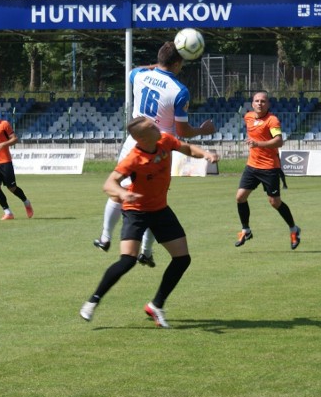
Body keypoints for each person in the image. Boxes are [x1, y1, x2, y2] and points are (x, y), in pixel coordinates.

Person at [80, 116, 218, 328]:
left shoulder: (165, 140)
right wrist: (122, 194)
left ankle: (156, 305)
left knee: (182, 259)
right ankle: (93, 301)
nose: (157, 128)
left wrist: (206, 154)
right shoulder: (134, 158)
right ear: (143, 138)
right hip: (136, 211)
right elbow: (109, 184)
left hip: (160, 209)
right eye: (152, 127)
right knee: (127, 260)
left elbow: (187, 148)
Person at [93, 41, 216, 267]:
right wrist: (203, 130)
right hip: (159, 147)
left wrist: (158, 63)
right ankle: (146, 251)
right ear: (178, 63)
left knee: (117, 190)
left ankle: (105, 237)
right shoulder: (179, 91)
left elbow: (140, 69)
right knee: (154, 200)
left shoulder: (138, 75)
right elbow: (182, 131)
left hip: (133, 142)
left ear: (159, 59)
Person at [234, 91, 301, 250]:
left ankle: (293, 229)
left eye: (263, 101)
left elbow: (279, 141)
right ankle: (246, 230)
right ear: (252, 104)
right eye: (256, 101)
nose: (259, 103)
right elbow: (254, 133)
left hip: (269, 167)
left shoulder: (272, 120)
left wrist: (258, 144)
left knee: (274, 202)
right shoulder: (248, 117)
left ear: (268, 104)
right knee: (240, 197)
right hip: (252, 165)